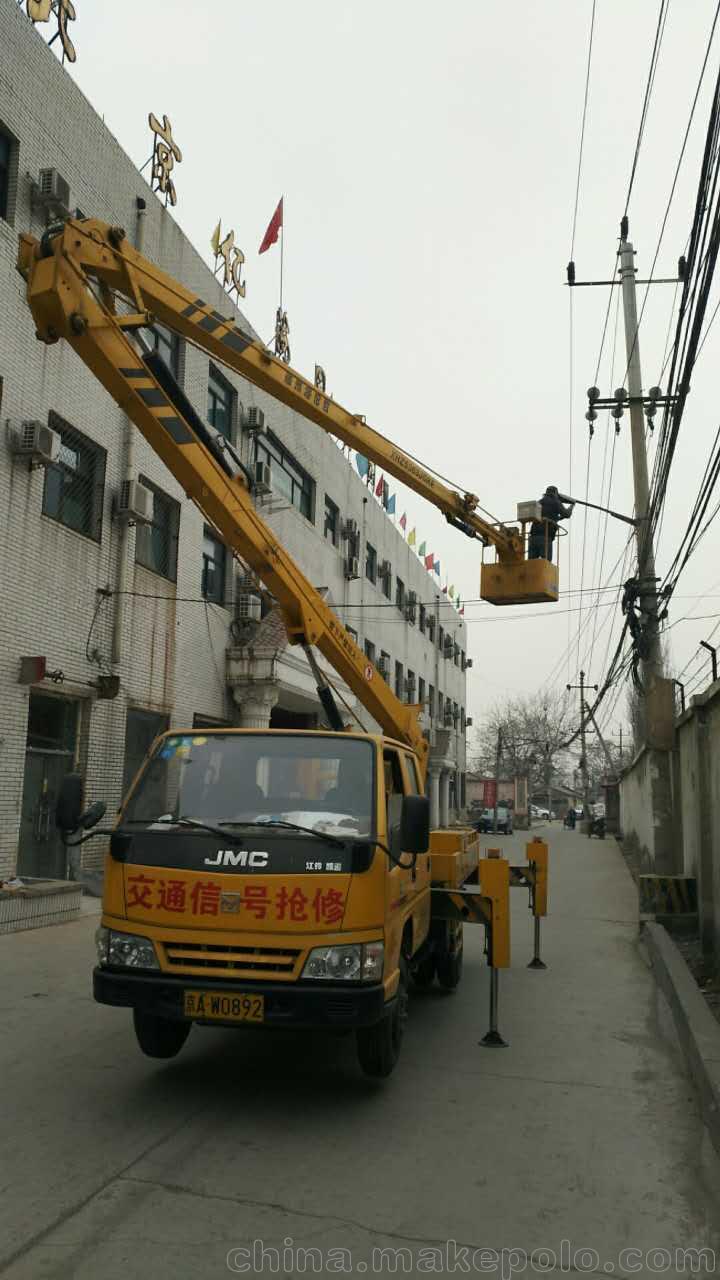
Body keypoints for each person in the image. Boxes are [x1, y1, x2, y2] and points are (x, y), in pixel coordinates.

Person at [528, 486, 574, 560]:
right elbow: (567, 514)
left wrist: (558, 518)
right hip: (545, 537)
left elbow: (547, 517)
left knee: (531, 564)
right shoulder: (555, 502)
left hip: (533, 538)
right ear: (555, 493)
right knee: (546, 563)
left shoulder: (539, 502)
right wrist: (572, 505)